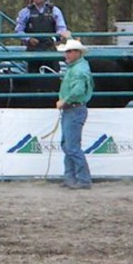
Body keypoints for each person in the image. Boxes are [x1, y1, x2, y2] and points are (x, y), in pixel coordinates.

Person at [56, 38, 94, 189]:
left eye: (70, 51)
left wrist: (64, 100)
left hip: (73, 108)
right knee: (69, 145)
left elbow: (78, 90)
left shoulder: (78, 70)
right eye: (67, 51)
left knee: (70, 146)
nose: (67, 54)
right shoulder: (78, 67)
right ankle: (71, 177)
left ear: (78, 52)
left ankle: (83, 179)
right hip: (73, 109)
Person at [15, 0, 71, 74]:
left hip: (49, 48)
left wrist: (53, 38)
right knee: (33, 78)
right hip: (33, 50)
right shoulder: (25, 12)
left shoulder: (54, 11)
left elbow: (62, 28)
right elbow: (18, 30)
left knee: (52, 76)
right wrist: (28, 39)